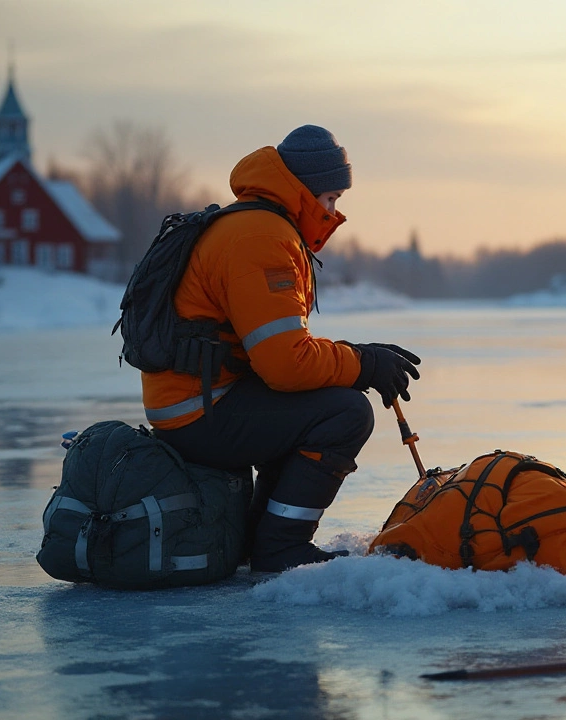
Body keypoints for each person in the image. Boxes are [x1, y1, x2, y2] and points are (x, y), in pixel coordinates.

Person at [144, 125, 421, 572]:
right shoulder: (262, 238)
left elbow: (279, 352)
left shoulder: (256, 224)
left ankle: (259, 537)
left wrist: (360, 358)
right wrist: (364, 363)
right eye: (331, 199)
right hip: (198, 411)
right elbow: (286, 365)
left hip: (197, 400)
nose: (334, 213)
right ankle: (281, 546)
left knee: (317, 404)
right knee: (345, 413)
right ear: (305, 193)